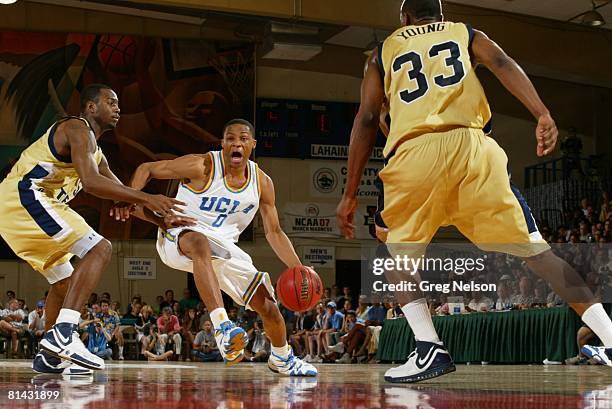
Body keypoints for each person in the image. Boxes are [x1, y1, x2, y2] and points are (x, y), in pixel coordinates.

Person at [336, 0, 612, 382]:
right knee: (540, 253)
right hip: (472, 147)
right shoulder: (464, 33)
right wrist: (542, 112)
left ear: (404, 19)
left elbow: (367, 119)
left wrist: (349, 193)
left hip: (416, 154)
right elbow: (503, 63)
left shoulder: (383, 53)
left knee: (398, 257)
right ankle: (611, 336)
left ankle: (429, 348)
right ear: (441, 15)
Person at [0, 83, 184, 375]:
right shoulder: (76, 127)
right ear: (90, 107)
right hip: (24, 197)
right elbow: (92, 183)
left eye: (118, 104)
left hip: (16, 213)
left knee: (65, 283)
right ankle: (63, 333)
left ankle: (50, 355)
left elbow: (121, 194)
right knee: (100, 248)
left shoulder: (96, 152)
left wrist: (161, 222)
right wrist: (149, 196)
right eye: (111, 102)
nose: (118, 108)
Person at [129, 119, 317, 376]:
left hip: (225, 248)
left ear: (252, 145)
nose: (236, 143)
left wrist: (298, 268)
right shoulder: (203, 165)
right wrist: (129, 196)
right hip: (179, 235)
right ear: (223, 144)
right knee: (199, 242)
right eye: (230, 138)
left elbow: (274, 232)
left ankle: (282, 357)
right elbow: (147, 168)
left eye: (242, 138)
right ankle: (222, 326)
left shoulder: (262, 183)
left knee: (268, 306)